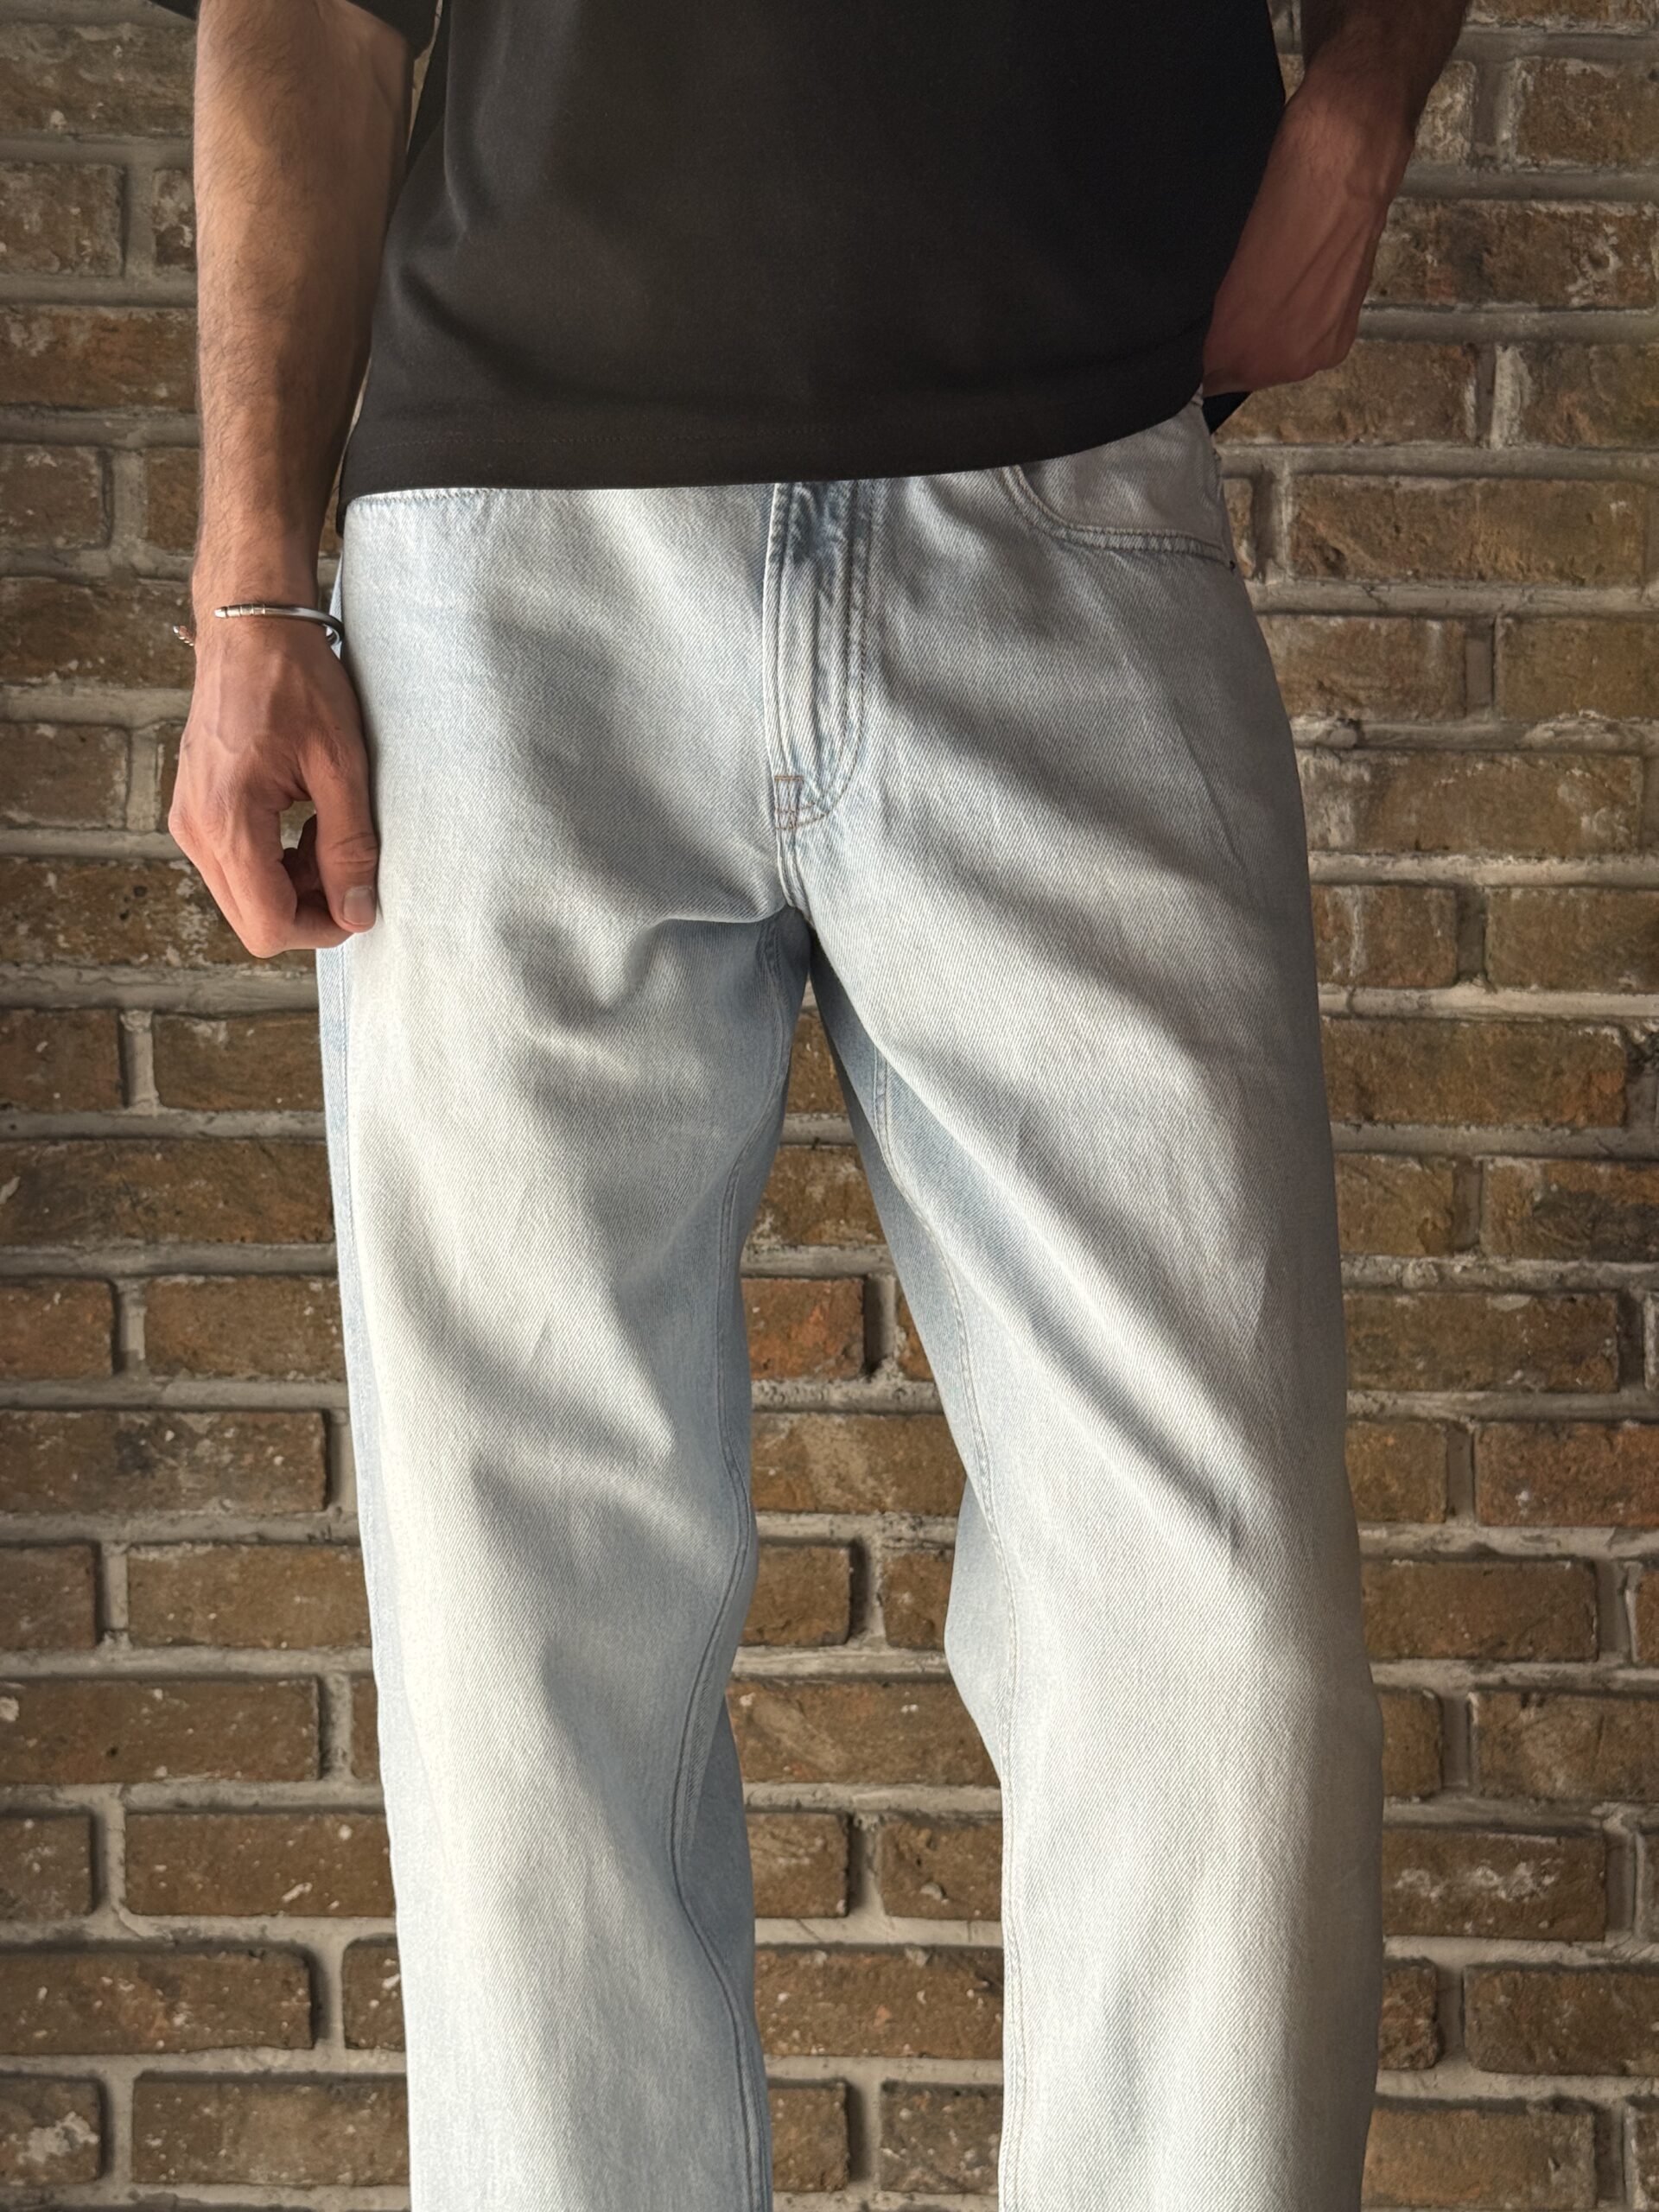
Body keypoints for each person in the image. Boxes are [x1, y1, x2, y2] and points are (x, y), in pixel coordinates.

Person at [153, 0, 1468, 2203]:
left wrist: (1366, 91)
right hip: (507, 556)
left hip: (1066, 490)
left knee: (1218, 1627)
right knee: (520, 1646)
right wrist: (247, 583)